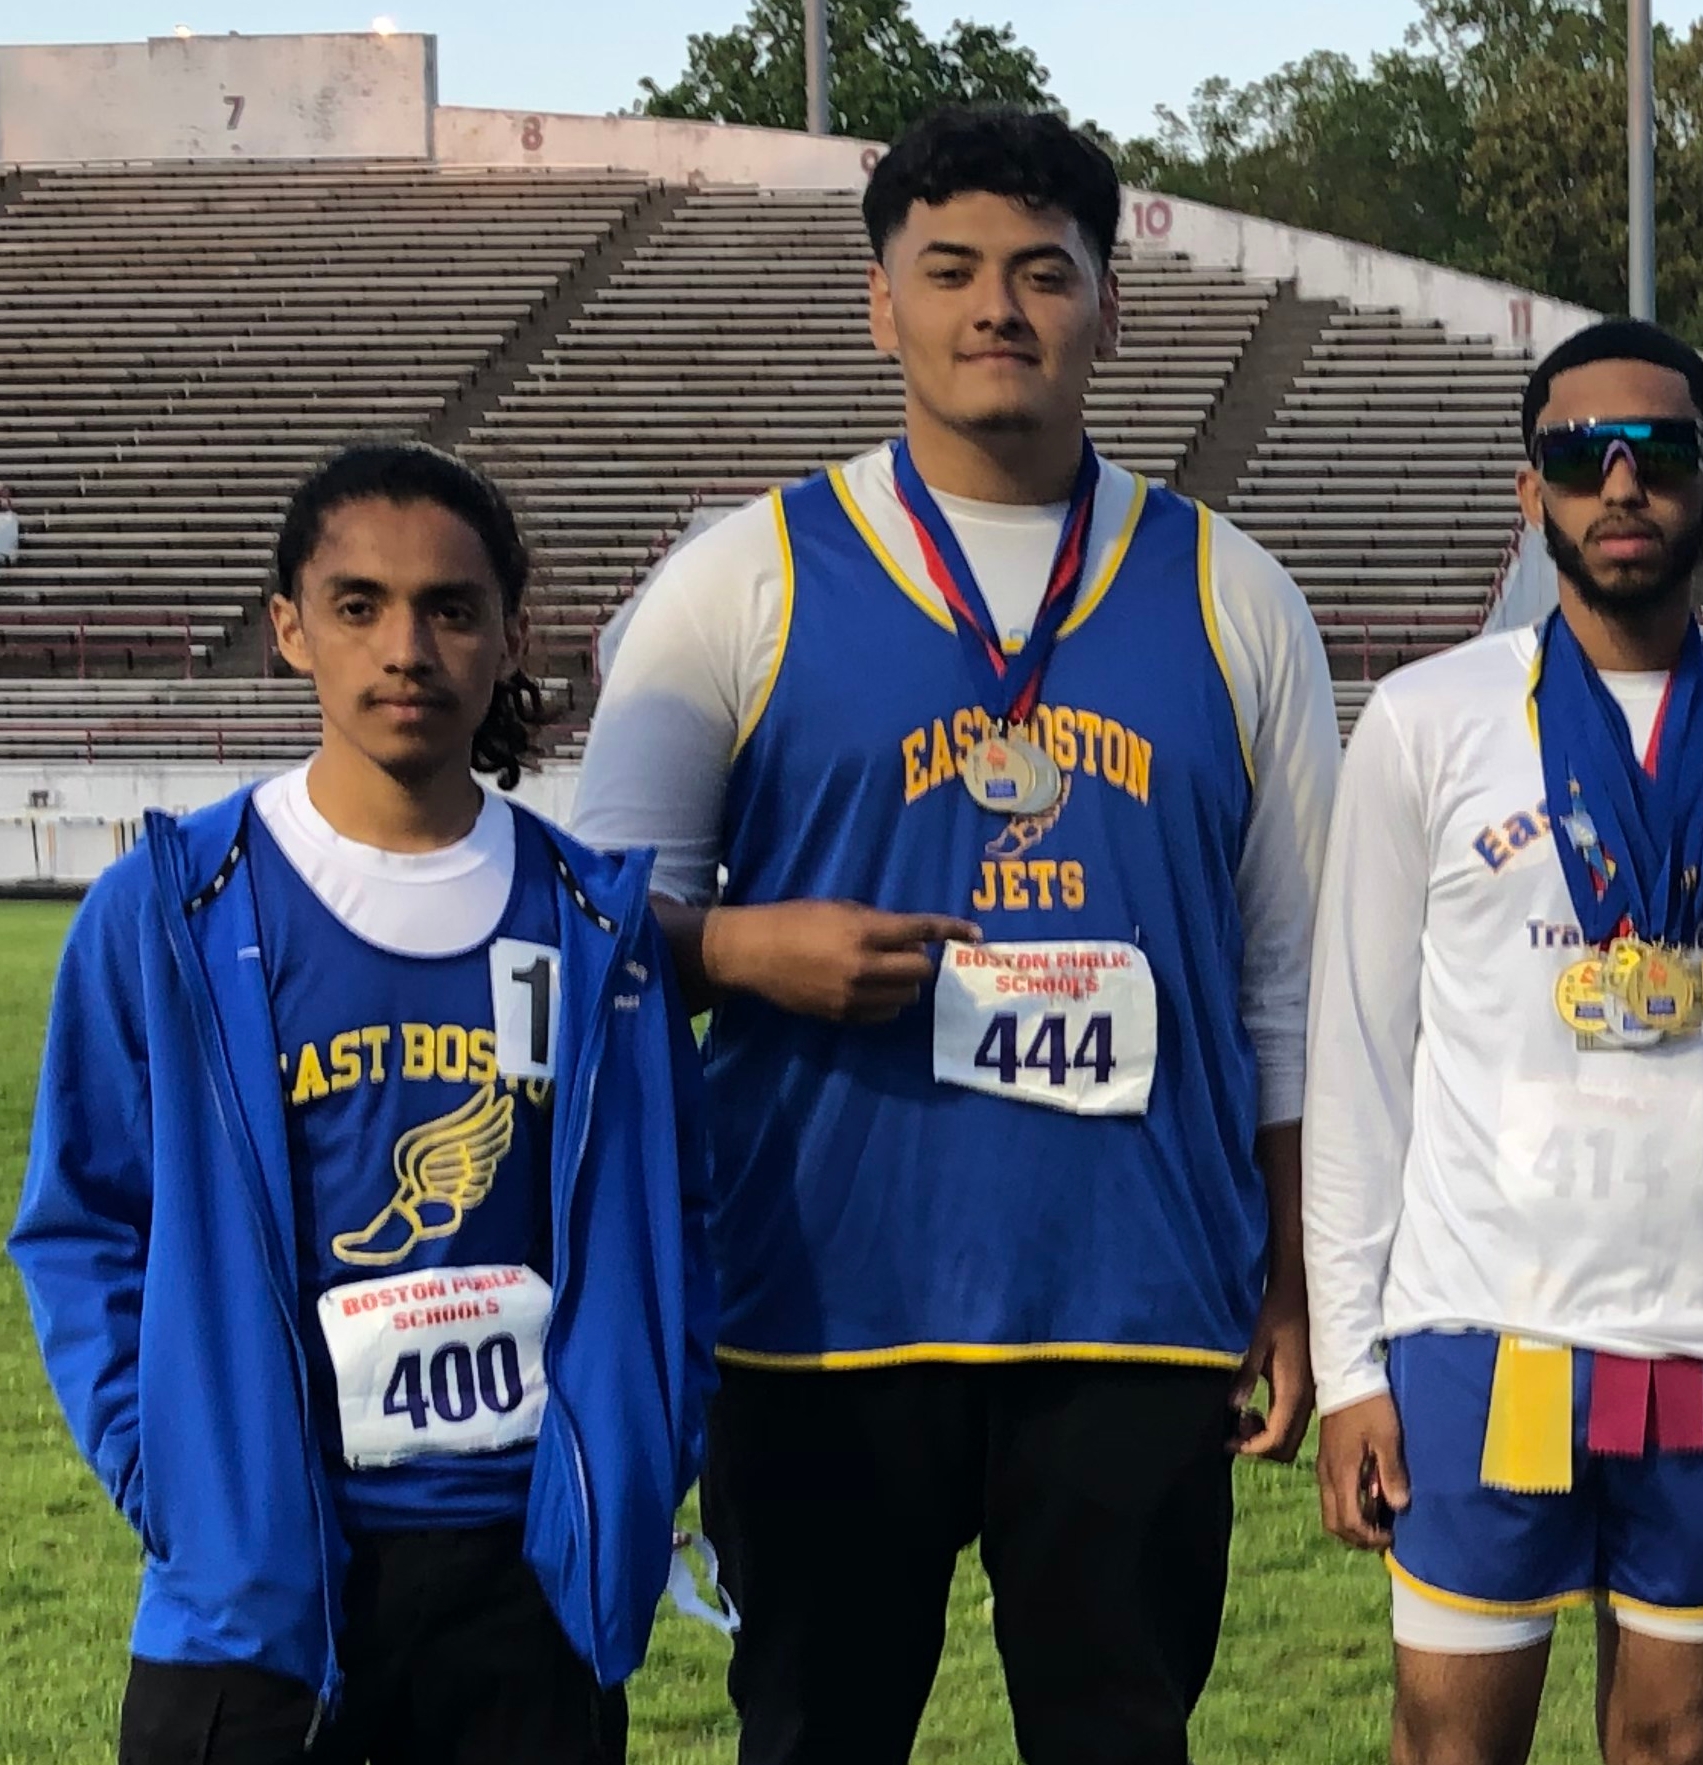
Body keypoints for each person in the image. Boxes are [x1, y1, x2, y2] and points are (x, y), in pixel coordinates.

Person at [570, 107, 1338, 1764]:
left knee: (1123, 1739)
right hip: (822, 1304)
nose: (1001, 306)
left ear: (1107, 310)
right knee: (816, 1736)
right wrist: (744, 952)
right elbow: (581, 929)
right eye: (955, 270)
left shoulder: (1234, 593)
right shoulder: (742, 580)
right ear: (882, 305)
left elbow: (1289, 982)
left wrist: (1296, 1279)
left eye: (1046, 272)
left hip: (1135, 1307)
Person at [11, 442, 711, 1765]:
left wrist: (642, 1449)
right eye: (359, 605)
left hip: (527, 1580)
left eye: (451, 607)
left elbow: (678, 1219)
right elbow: (82, 1225)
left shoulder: (590, 924)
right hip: (252, 1600)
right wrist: (171, 1479)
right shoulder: (169, 910)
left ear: (507, 638)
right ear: (289, 629)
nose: (407, 645)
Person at [1304, 317, 1703, 1765]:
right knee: (1450, 1749)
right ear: (1532, 491)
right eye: (1581, 455)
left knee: (1676, 1749)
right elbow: (1358, 1059)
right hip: (1479, 1323)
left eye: (1662, 451)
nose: (1622, 483)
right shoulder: (1426, 723)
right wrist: (1348, 1371)